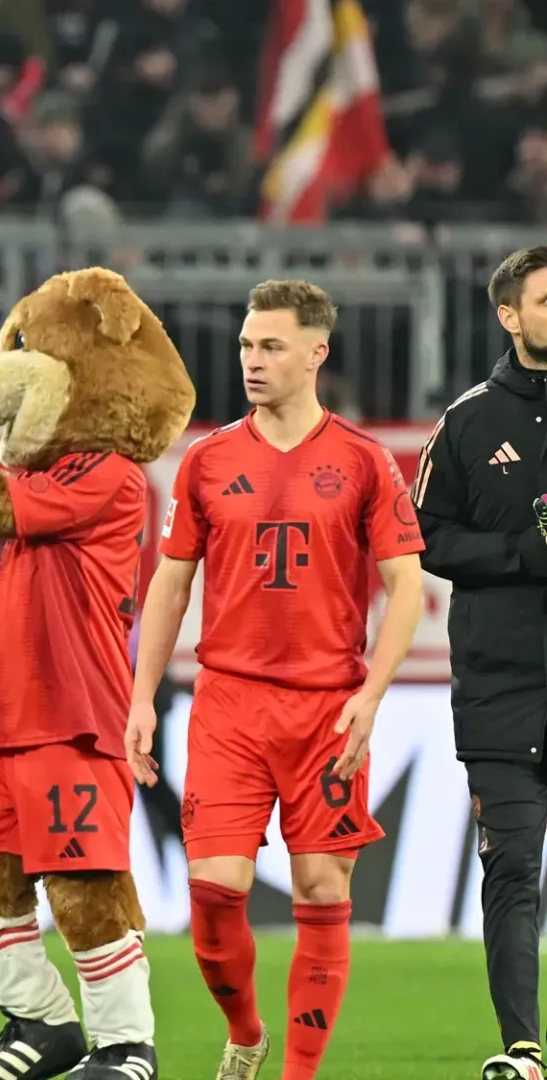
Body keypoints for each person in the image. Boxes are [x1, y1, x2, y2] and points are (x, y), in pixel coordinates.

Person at [126, 280, 426, 1080]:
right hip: (227, 702)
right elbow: (170, 584)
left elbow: (407, 589)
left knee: (322, 887)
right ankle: (246, 1030)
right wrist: (141, 697)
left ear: (316, 353)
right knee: (213, 892)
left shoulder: (364, 462)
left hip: (328, 707)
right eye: (246, 346)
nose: (252, 361)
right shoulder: (209, 458)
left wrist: (370, 698)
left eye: (271, 347)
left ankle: (295, 1075)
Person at [412, 245, 547, 1080]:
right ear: (510, 315)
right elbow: (424, 538)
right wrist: (523, 550)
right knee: (512, 873)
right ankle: (524, 1048)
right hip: (501, 688)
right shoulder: (467, 422)